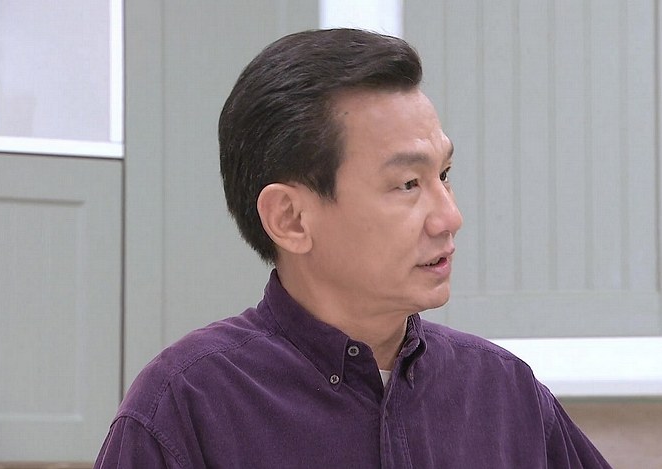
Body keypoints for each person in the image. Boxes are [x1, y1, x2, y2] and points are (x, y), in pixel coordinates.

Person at [95, 28, 612, 468]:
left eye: (444, 174)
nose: (449, 217)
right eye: (408, 184)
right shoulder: (185, 407)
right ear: (290, 218)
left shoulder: (505, 394)